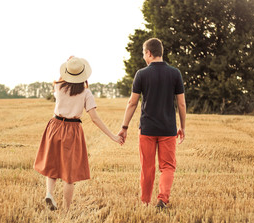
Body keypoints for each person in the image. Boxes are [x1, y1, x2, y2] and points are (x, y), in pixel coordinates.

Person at [34, 56, 123, 211]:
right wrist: (113, 136)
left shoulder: (59, 88)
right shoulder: (86, 93)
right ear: (84, 75)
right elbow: (94, 118)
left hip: (54, 126)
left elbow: (61, 78)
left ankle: (49, 193)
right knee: (69, 174)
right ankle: (66, 210)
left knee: (52, 165)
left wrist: (70, 63)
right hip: (72, 130)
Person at [118, 38, 186, 209]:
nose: (144, 57)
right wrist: (182, 127)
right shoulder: (175, 73)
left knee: (147, 167)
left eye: (144, 54)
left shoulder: (141, 74)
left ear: (149, 53)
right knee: (168, 167)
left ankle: (146, 202)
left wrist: (124, 127)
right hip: (168, 129)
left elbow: (132, 103)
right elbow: (182, 104)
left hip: (147, 129)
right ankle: (162, 199)